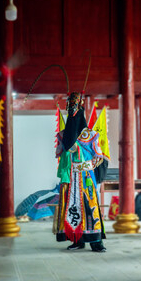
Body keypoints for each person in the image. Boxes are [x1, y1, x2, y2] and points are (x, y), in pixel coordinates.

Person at [55, 92, 108, 253]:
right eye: (71, 111)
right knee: (73, 206)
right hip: (71, 177)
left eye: (75, 110)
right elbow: (59, 155)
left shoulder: (91, 135)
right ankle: (76, 239)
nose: (73, 115)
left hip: (86, 177)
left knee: (90, 206)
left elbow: (99, 156)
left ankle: (96, 241)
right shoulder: (63, 135)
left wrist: (88, 164)